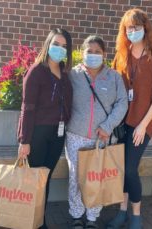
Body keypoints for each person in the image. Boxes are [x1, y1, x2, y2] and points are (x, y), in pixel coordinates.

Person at [107, 8, 152, 229]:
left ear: (146, 28)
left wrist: (143, 125)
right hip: (121, 124)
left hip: (142, 124)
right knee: (122, 169)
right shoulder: (121, 56)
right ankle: (122, 212)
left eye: (136, 27)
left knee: (130, 169)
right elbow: (111, 85)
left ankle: (136, 214)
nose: (132, 31)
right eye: (129, 28)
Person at [65, 35, 128, 229]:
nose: (93, 55)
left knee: (97, 178)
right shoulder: (72, 75)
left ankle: (92, 218)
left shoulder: (114, 77)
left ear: (104, 54)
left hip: (102, 137)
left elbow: (122, 103)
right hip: (76, 136)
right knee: (76, 177)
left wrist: (107, 126)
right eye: (89, 51)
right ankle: (77, 216)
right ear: (82, 52)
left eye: (98, 52)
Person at [17, 28, 73, 229]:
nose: (60, 48)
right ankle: (30, 222)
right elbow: (27, 107)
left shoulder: (65, 74)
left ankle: (39, 220)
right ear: (48, 44)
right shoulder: (36, 71)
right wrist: (24, 140)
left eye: (64, 46)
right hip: (38, 133)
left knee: (45, 178)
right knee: (34, 179)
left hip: (57, 134)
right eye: (56, 44)